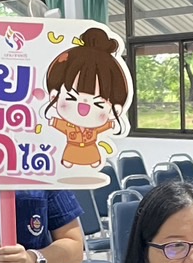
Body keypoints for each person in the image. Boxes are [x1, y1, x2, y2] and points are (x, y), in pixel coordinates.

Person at [44, 28, 129, 170]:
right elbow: (56, 124)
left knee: (92, 157)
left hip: (92, 152)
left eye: (98, 103)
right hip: (70, 152)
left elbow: (105, 126)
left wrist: (111, 124)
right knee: (70, 157)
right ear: (54, 95)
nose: (84, 106)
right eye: (71, 97)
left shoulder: (96, 128)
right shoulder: (68, 125)